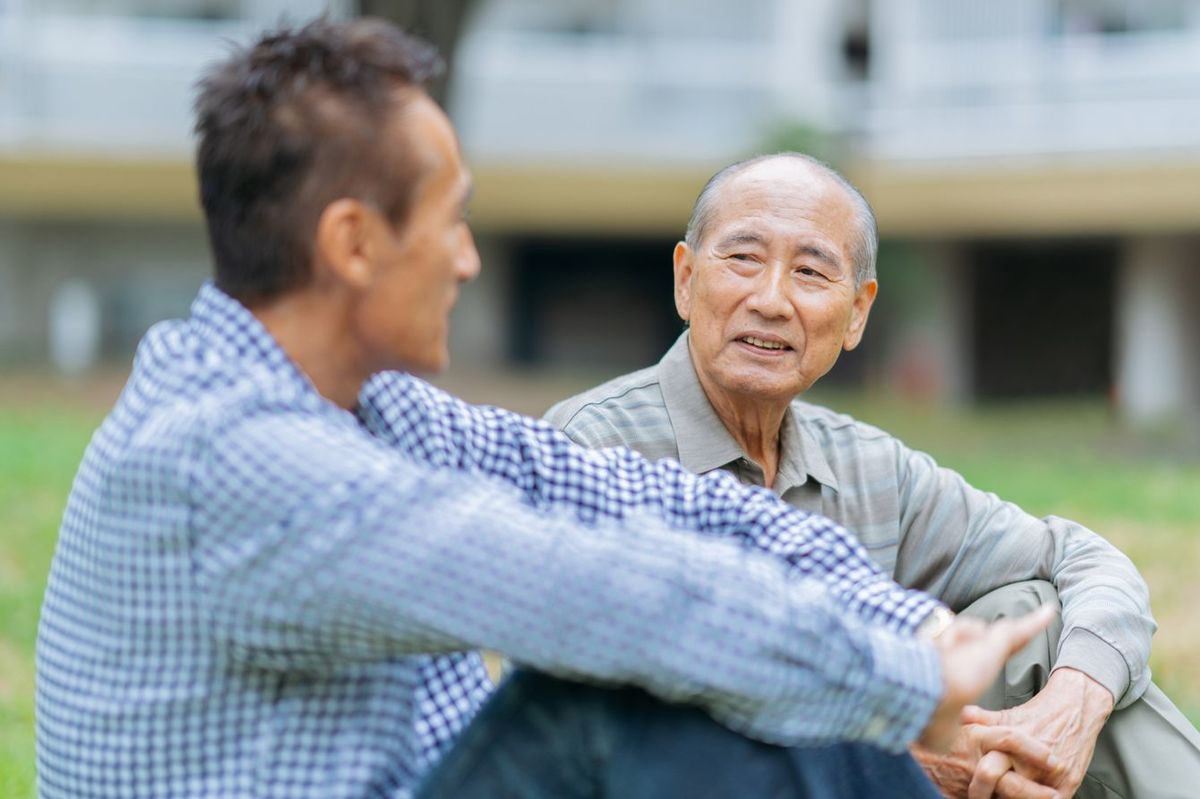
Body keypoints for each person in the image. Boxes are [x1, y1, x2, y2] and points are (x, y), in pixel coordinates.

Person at [33, 19, 1058, 799]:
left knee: (754, 697)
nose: (470, 258)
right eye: (453, 221)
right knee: (615, 695)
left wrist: (909, 631)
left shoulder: (372, 408)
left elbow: (653, 505)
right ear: (353, 244)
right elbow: (606, 593)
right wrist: (895, 682)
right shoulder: (230, 463)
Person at [545, 152, 1200, 798]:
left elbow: (1082, 557)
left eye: (809, 271)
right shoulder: (592, 449)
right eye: (743, 259)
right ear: (686, 279)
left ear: (857, 312)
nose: (770, 300)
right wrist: (901, 758)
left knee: (1038, 618)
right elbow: (622, 716)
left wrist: (1073, 704)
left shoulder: (868, 467)